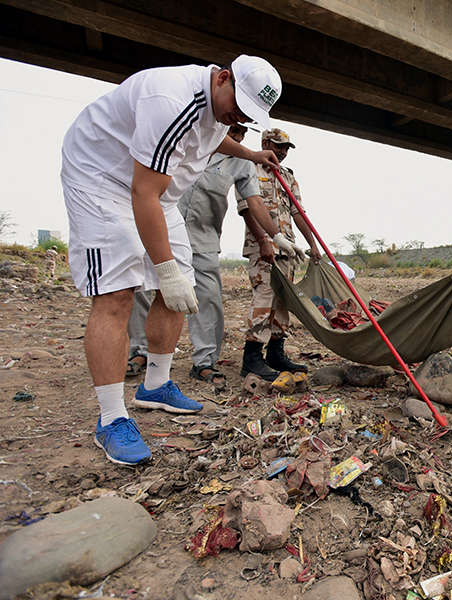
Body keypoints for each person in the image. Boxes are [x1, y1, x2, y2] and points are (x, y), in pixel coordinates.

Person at [61, 55, 283, 465]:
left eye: (246, 116)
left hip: (154, 191)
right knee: (117, 293)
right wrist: (163, 271)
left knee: (184, 286)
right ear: (222, 78)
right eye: (236, 107)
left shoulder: (216, 105)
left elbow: (211, 136)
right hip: (102, 180)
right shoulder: (170, 100)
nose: (236, 117)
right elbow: (142, 193)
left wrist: (252, 155)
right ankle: (111, 419)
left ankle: (156, 386)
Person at [126, 123, 290, 389]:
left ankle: (204, 362)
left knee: (208, 298)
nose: (238, 136)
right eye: (233, 130)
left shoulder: (242, 163)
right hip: (161, 229)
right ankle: (140, 352)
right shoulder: (193, 142)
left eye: (242, 133)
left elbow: (254, 203)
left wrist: (275, 235)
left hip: (204, 236)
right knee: (145, 289)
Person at [240, 128, 322, 382]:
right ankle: (252, 359)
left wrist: (313, 244)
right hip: (262, 247)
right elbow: (246, 210)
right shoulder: (250, 169)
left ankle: (275, 353)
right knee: (264, 299)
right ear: (265, 143)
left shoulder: (287, 176)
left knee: (282, 303)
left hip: (288, 249)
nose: (282, 152)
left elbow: (298, 213)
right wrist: (265, 240)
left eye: (286, 148)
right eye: (278, 146)